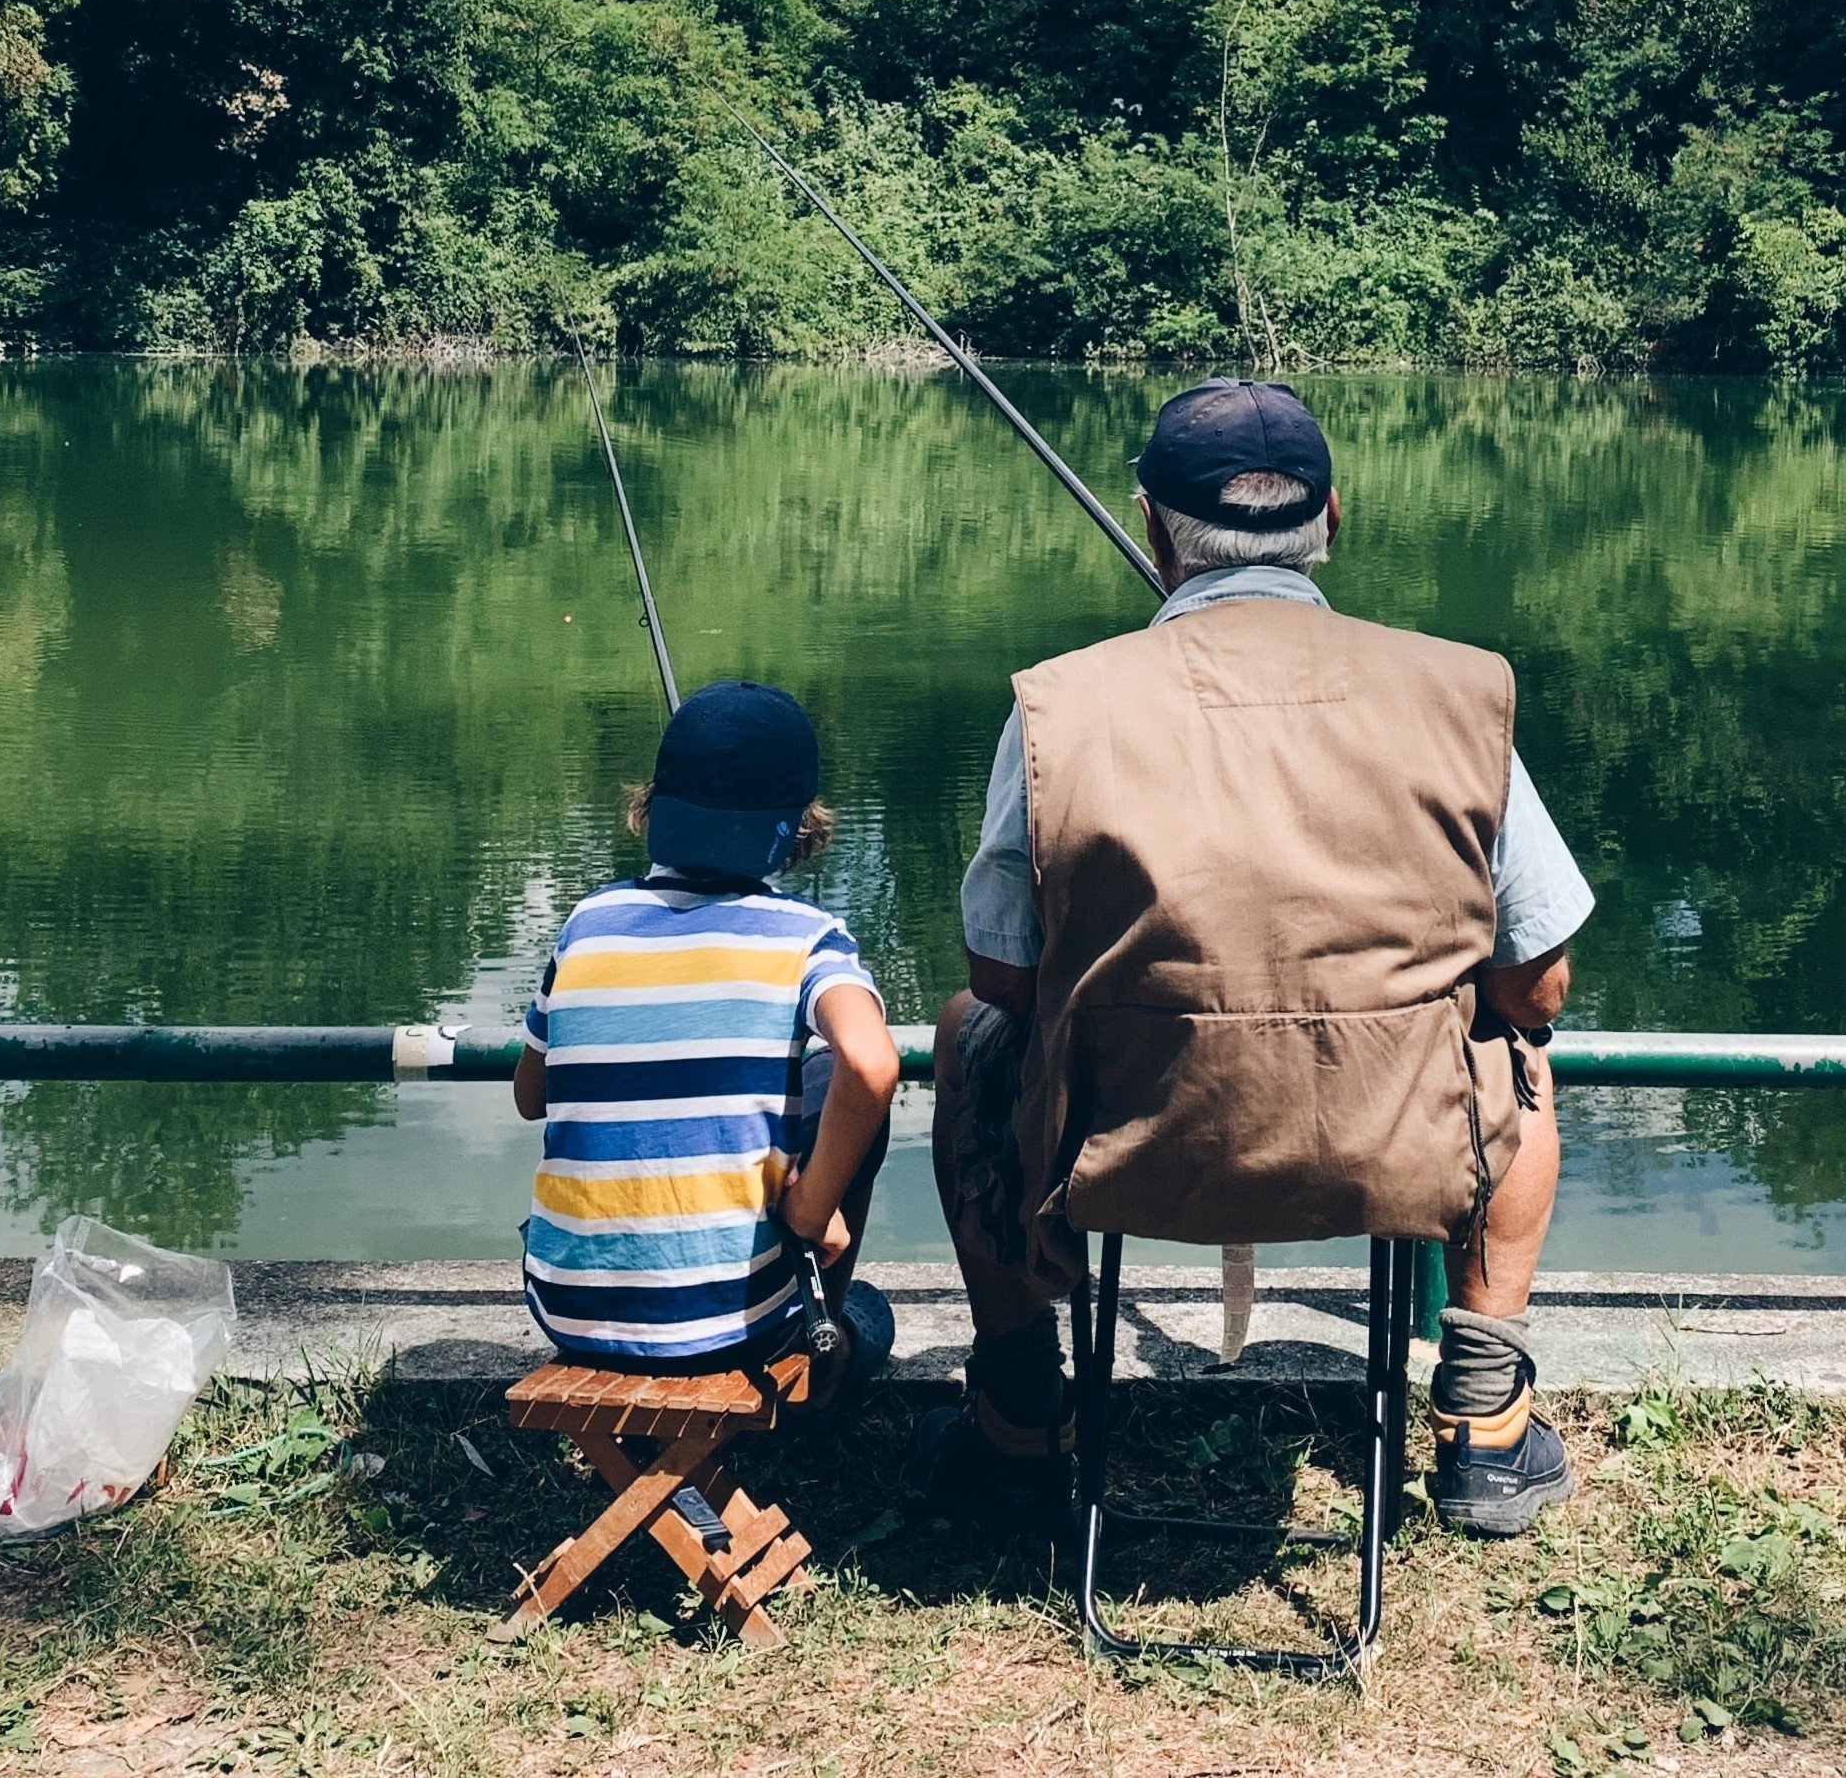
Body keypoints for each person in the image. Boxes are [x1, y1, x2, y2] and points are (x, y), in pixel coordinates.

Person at [920, 378, 1592, 1535]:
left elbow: (1003, 982)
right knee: (1519, 1060)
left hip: (1121, 1150)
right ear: (1333, 517)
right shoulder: (1460, 691)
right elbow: (1535, 984)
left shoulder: (1055, 708)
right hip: (1397, 1151)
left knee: (967, 1038)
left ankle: (1019, 1416)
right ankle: (1482, 1425)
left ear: (1148, 525)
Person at [513, 679, 900, 1396]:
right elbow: (872, 1065)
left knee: (813, 1086)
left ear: (653, 807)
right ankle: (825, 1342)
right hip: (733, 1327)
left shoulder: (587, 924)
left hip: (568, 1309)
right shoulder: (810, 938)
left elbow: (530, 1096)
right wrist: (814, 1207)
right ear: (797, 829)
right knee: (874, 1311)